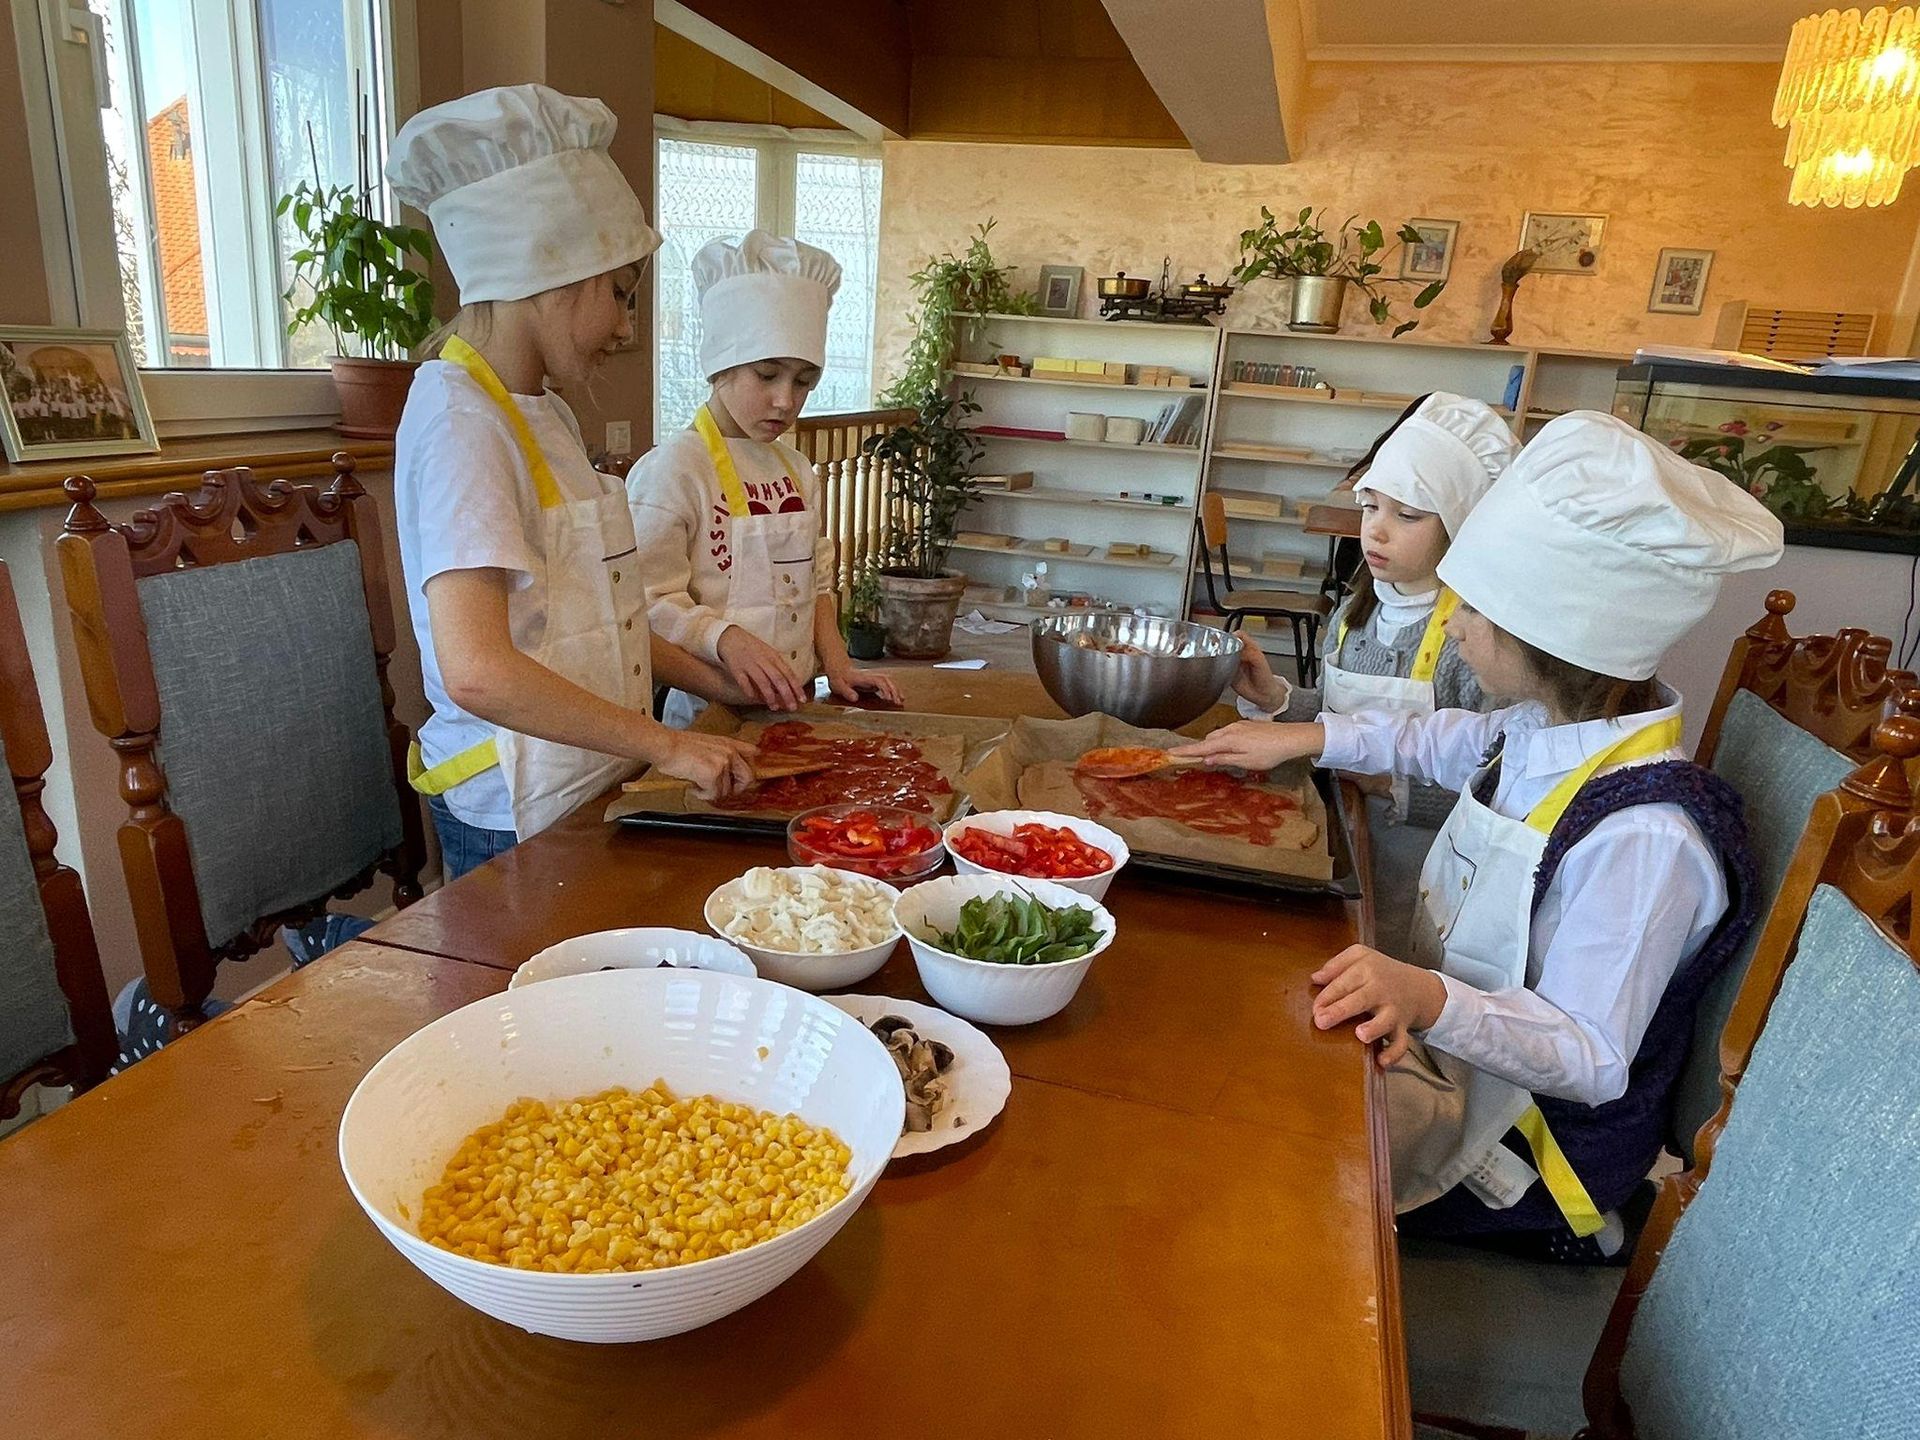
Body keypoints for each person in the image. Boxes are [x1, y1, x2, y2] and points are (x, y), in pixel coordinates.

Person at [1175, 412, 1782, 1262]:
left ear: (1550, 635)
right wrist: (1304, 734)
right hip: (1457, 1072)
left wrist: (1426, 1000)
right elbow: (1432, 739)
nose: (1453, 625)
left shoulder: (1647, 836)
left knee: (1242, 1138)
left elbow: (1592, 1053)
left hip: (1522, 1158)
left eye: (1475, 610)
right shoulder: (1541, 728)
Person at [385, 83, 756, 876]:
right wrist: (668, 743)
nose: (626, 327)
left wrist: (719, 682)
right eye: (620, 295)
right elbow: (479, 670)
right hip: (511, 809)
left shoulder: (536, 410)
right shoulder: (461, 423)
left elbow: (596, 624)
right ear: (552, 274)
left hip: (581, 778)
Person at [1232, 392, 1516, 957]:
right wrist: (1277, 697)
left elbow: (1497, 784)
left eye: (1407, 515)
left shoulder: (1470, 641)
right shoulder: (1357, 610)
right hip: (1338, 841)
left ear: (1459, 525)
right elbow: (1335, 716)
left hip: (1421, 871)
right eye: (1370, 508)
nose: (1377, 532)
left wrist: (1385, 784)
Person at [627, 230, 901, 725]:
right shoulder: (673, 470)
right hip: (705, 711)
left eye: (803, 381)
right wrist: (724, 638)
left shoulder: (794, 469)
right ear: (720, 368)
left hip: (793, 705)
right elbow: (642, 604)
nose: (786, 400)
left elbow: (816, 584)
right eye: (768, 374)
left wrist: (838, 666)